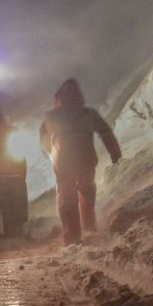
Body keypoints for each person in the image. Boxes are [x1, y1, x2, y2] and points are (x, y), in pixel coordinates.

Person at [40, 78, 121, 246]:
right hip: (86, 161)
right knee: (87, 193)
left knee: (67, 201)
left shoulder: (51, 116)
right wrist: (116, 155)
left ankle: (72, 239)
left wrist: (51, 154)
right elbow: (106, 133)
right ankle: (89, 229)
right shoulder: (89, 114)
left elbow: (43, 140)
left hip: (63, 163)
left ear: (59, 98)